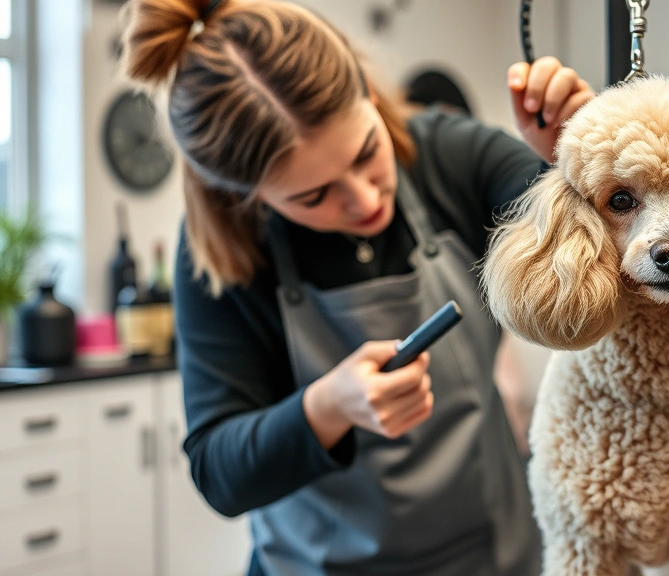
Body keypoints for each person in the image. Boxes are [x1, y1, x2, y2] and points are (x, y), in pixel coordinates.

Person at [121, 0, 594, 575]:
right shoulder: (222, 258)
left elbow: (608, 256)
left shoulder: (447, 156)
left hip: (492, 555)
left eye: (368, 152)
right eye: (313, 196)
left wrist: (573, 165)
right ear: (250, 197)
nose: (365, 200)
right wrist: (327, 407)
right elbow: (220, 473)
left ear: (369, 97)